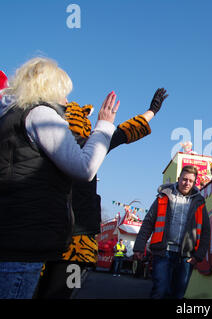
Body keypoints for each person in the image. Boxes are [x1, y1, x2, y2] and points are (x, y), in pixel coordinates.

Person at [0, 57, 119, 299]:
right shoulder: (40, 114)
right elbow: (85, 168)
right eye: (63, 94)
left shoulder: (7, 117)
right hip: (25, 243)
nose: (66, 101)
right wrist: (104, 126)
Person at [34, 88, 168, 299]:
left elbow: (122, 133)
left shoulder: (91, 145)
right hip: (48, 237)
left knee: (59, 292)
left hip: (75, 239)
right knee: (51, 292)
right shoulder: (45, 141)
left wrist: (151, 111)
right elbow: (121, 133)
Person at [133, 165, 211, 299]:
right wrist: (139, 246)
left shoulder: (199, 202)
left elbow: (206, 231)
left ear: (194, 182)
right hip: (163, 252)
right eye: (184, 179)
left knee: (178, 295)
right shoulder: (163, 196)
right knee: (160, 291)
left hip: (186, 256)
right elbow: (148, 222)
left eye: (191, 181)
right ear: (178, 178)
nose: (187, 183)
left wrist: (198, 255)